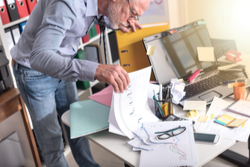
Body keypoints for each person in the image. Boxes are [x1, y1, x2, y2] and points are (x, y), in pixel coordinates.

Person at [10, 0, 150, 166]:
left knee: (77, 128)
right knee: (53, 143)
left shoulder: (102, 3)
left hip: (62, 64)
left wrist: (118, 21)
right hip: (34, 71)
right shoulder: (67, 3)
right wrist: (96, 70)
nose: (131, 19)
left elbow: (96, 11)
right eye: (132, 13)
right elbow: (39, 57)